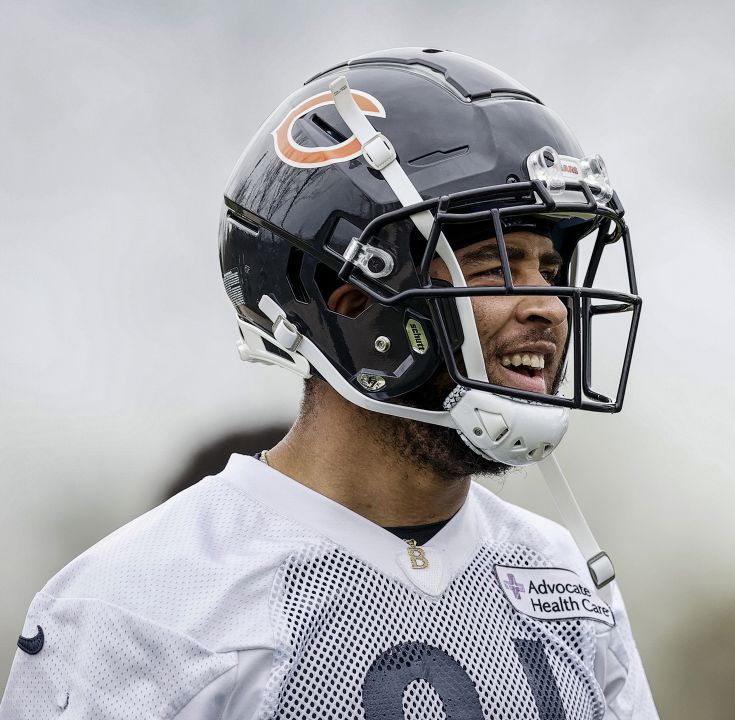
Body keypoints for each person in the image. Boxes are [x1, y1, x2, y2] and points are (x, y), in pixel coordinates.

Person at [0, 48, 656, 719]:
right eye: (496, 265)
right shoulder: (143, 597)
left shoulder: (563, 575)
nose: (547, 303)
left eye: (550, 267)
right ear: (353, 304)